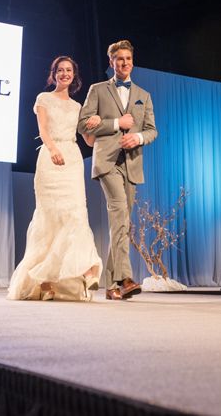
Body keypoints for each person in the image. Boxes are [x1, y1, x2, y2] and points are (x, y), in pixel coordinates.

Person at [7, 56, 101, 302]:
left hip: (72, 158)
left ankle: (89, 270)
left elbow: (88, 140)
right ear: (54, 74)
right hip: (50, 157)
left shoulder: (77, 107)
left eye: (68, 70)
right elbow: (43, 130)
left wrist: (95, 124)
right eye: (60, 70)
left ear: (74, 75)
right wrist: (52, 150)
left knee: (76, 214)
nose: (64, 74)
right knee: (49, 220)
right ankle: (44, 282)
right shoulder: (43, 98)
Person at [78, 39, 157, 301]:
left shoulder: (143, 95)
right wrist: (115, 123)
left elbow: (151, 130)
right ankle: (125, 278)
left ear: (133, 62)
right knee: (119, 213)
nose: (124, 63)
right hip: (107, 162)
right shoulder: (98, 89)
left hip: (132, 164)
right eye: (119, 59)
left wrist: (139, 138)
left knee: (122, 223)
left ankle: (112, 285)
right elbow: (83, 126)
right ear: (111, 62)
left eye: (128, 59)